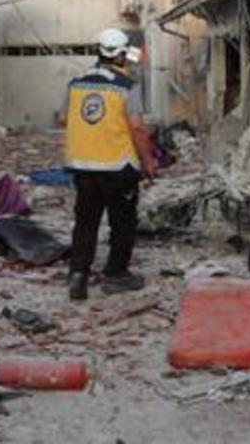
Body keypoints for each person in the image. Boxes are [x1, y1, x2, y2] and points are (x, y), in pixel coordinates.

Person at [59, 28, 158, 301]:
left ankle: (78, 275)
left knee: (85, 223)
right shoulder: (127, 86)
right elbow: (136, 128)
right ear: (122, 55)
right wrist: (148, 161)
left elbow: (63, 118)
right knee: (122, 224)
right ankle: (116, 274)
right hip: (118, 169)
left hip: (83, 167)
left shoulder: (76, 83)